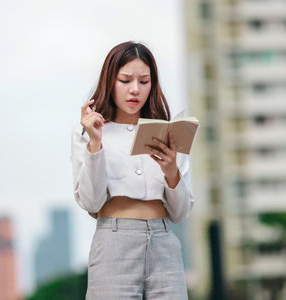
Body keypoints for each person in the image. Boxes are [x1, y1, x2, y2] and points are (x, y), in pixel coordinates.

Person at [71, 41, 194, 299]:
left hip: (164, 244)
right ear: (109, 81)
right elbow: (91, 202)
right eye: (125, 80)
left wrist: (171, 169)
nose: (135, 90)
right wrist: (95, 143)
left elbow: (180, 213)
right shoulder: (88, 132)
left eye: (144, 81)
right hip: (114, 244)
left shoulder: (168, 134)